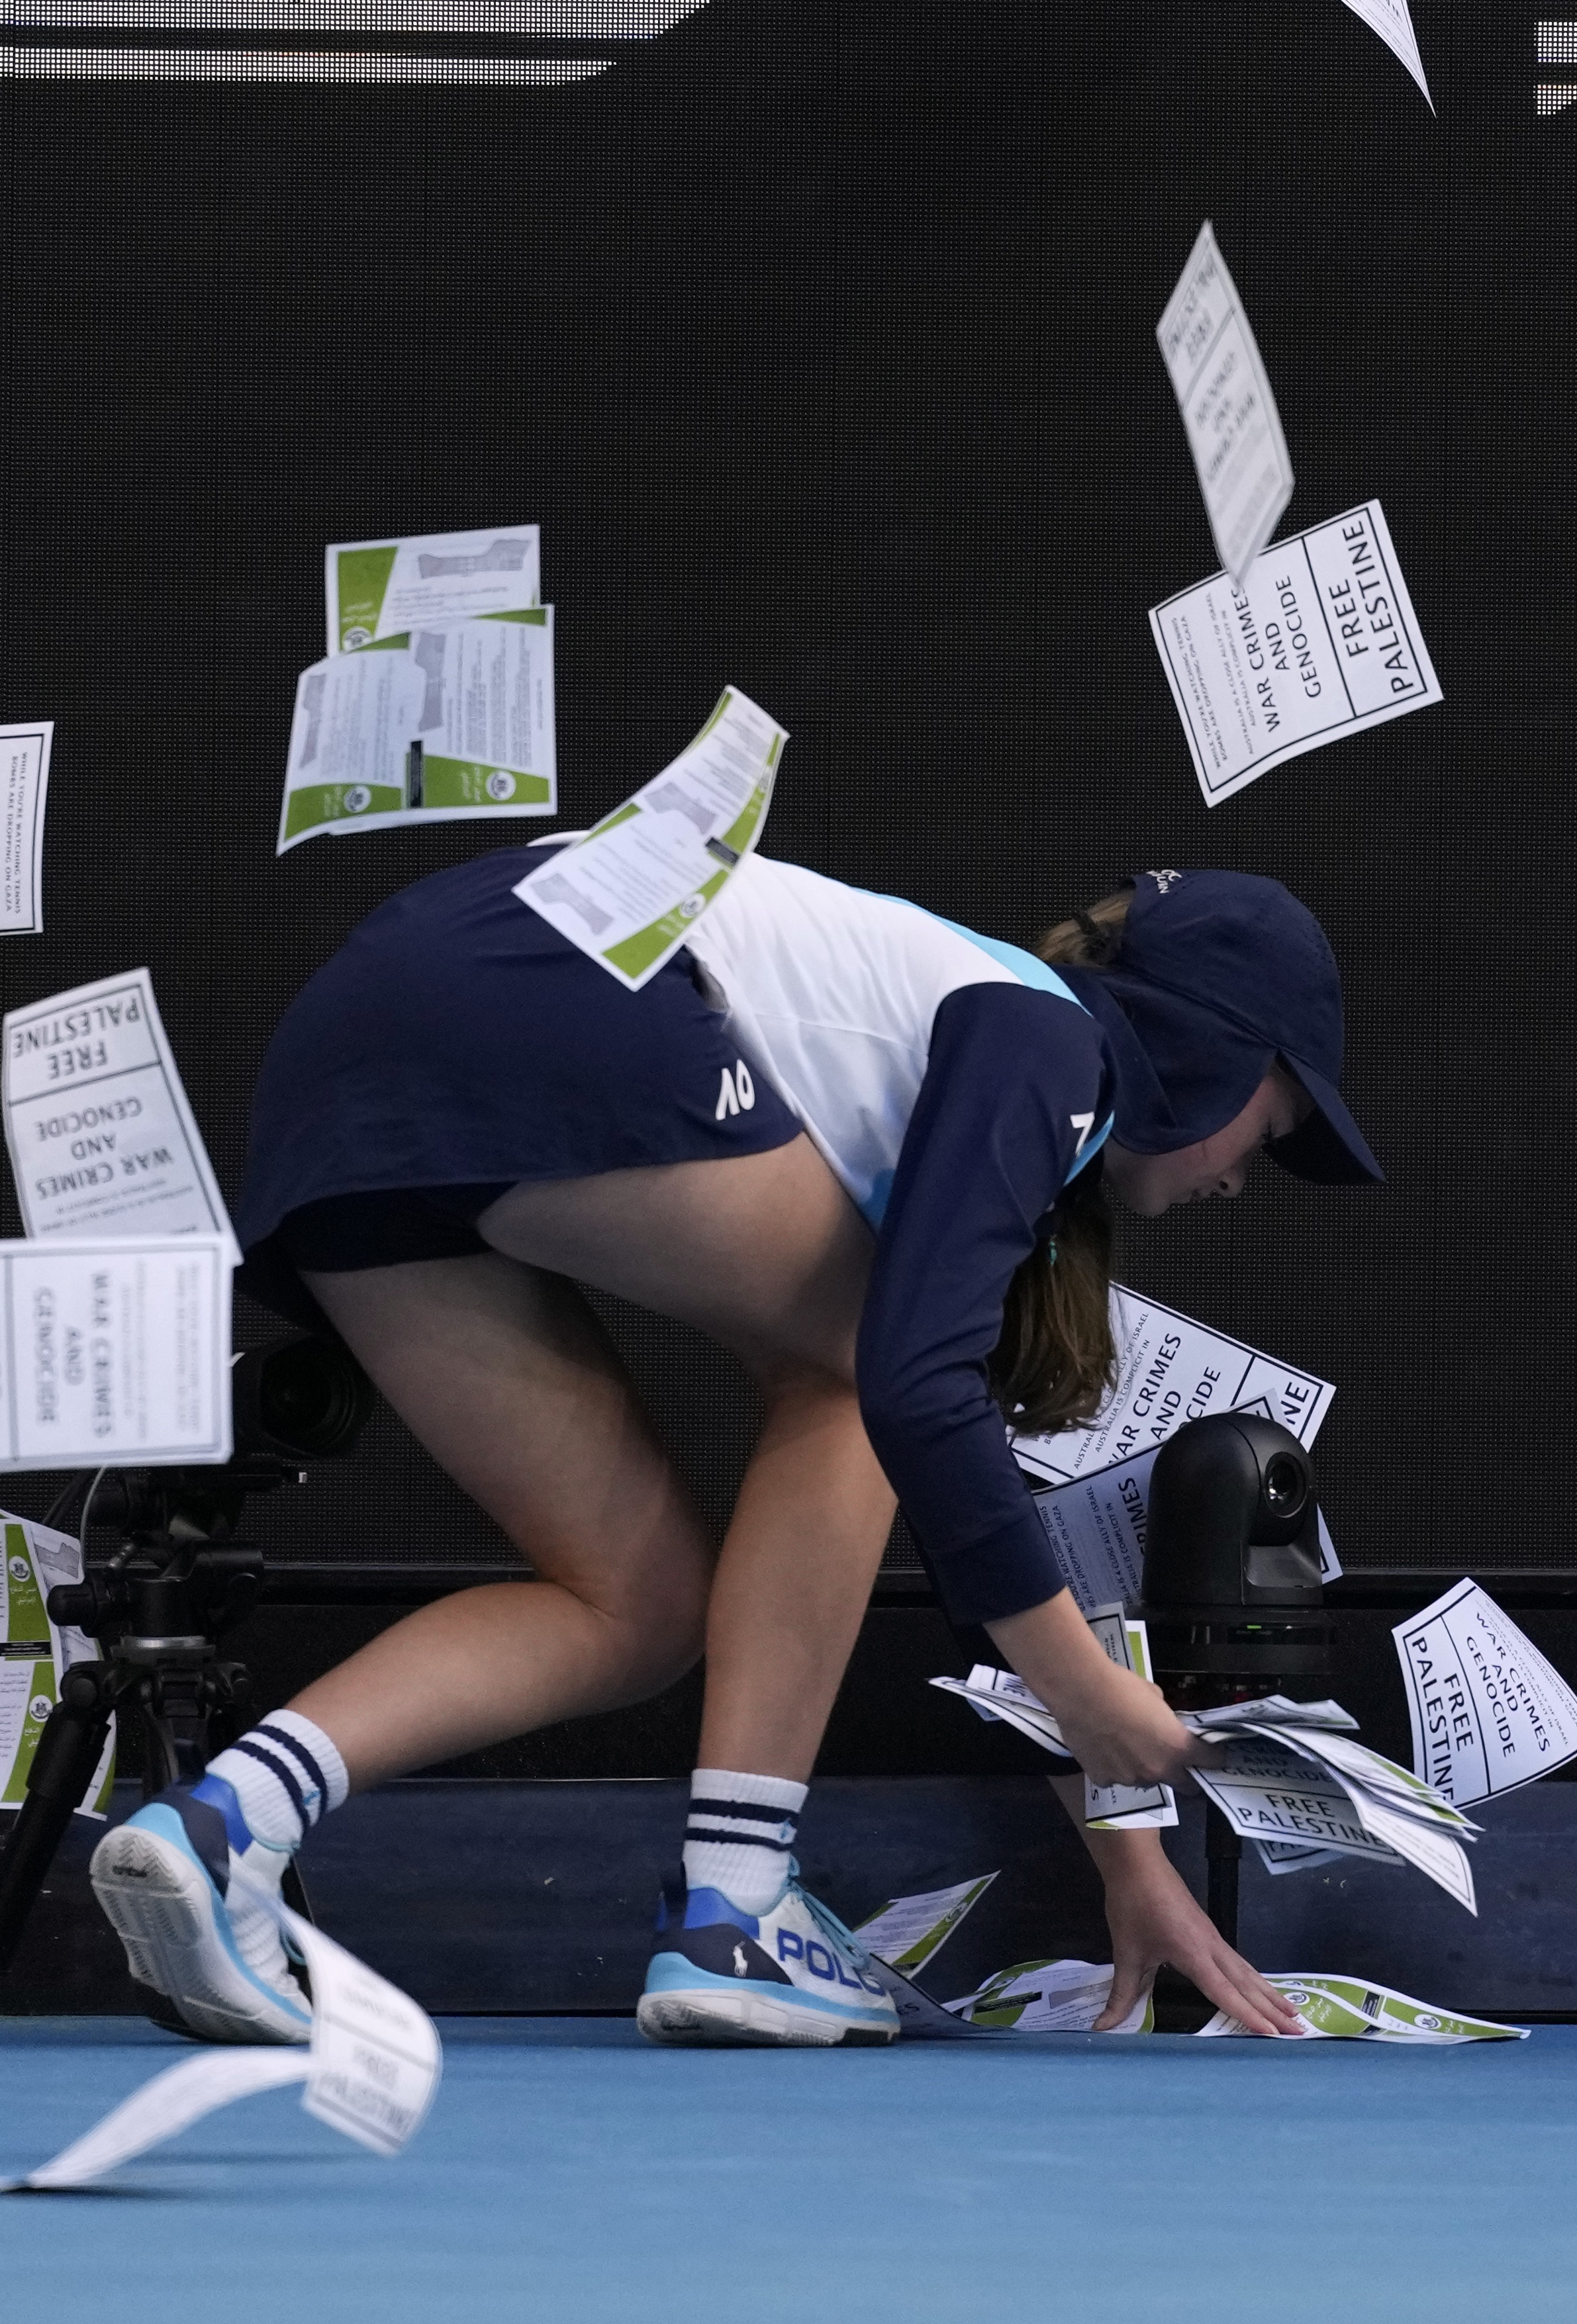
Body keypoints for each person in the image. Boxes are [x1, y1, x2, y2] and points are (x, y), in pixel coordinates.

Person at [85, 847, 1380, 2047]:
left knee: (636, 1605)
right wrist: (1099, 1698)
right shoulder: (1044, 1033)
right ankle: (735, 1909)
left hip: (344, 1050)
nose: (1238, 1179)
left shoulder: (963, 1063)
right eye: (1267, 1130)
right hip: (543, 979)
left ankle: (217, 1829)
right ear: (1215, 1047)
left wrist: (1131, 1865)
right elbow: (910, 1399)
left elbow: (956, 1511)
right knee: (856, 1374)